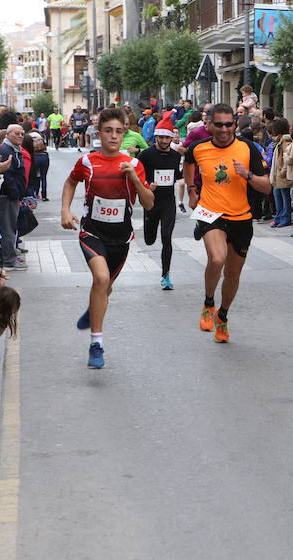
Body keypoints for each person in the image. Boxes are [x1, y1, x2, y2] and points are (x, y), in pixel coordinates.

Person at [61, 108, 154, 368]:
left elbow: (148, 204)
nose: (113, 136)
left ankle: (94, 310)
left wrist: (135, 179)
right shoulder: (88, 162)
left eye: (119, 131)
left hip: (120, 238)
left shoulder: (134, 164)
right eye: (108, 131)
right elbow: (70, 182)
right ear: (99, 132)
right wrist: (65, 210)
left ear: (125, 133)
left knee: (105, 288)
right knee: (100, 279)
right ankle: (97, 344)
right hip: (92, 231)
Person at [184, 103, 271, 343]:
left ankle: (222, 316)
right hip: (210, 213)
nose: (224, 129)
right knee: (217, 258)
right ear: (209, 124)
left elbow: (266, 186)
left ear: (234, 124)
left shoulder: (248, 149)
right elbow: (188, 162)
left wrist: (248, 175)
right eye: (219, 124)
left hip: (241, 217)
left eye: (229, 124)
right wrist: (192, 190)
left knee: (233, 275)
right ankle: (208, 302)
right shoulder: (198, 148)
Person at [139, 117, 183, 290]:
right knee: (149, 240)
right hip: (151, 202)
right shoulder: (146, 154)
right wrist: (146, 185)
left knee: (166, 236)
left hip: (167, 202)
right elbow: (138, 175)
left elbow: (178, 175)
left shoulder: (175, 155)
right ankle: (149, 234)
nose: (164, 141)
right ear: (156, 137)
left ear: (171, 138)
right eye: (161, 138)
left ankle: (166, 275)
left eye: (167, 138)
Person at [0, 124, 26, 270]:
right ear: (7, 134)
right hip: (6, 195)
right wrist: (16, 195)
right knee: (8, 228)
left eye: (22, 133)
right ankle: (9, 261)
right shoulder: (7, 150)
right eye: (16, 133)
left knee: (4, 227)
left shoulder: (13, 149)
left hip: (8, 194)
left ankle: (1, 259)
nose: (20, 136)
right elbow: (8, 176)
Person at [269, 117, 293, 228]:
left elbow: (286, 156)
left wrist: (283, 172)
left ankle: (285, 218)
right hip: (277, 173)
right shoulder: (279, 140)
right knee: (277, 194)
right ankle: (279, 217)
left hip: (281, 173)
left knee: (284, 196)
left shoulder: (285, 140)